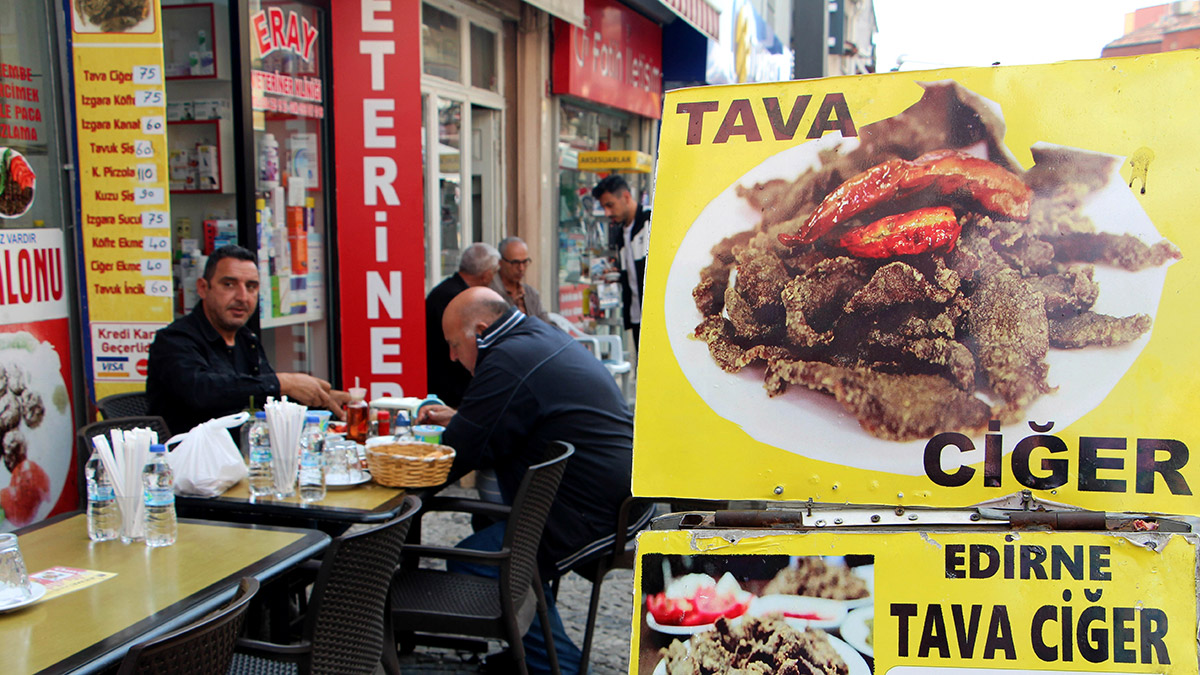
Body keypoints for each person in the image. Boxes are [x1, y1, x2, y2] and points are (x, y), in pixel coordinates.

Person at [418, 287, 645, 675]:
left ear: (481, 331)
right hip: (616, 494)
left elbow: (457, 454)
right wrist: (463, 419)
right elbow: (513, 416)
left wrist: (396, 483)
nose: (452, 357)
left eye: (454, 344)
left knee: (477, 562)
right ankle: (525, 650)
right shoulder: (534, 335)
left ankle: (560, 667)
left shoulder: (506, 360)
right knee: (487, 525)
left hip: (593, 511)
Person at [147, 245, 344, 434]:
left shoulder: (246, 338)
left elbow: (265, 395)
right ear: (203, 288)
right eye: (229, 285)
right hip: (188, 455)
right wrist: (283, 382)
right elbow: (202, 391)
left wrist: (318, 398)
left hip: (249, 452)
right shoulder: (174, 340)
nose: (242, 297)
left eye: (251, 287)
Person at [425, 242, 500, 407]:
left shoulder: (449, 290)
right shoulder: (456, 299)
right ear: (486, 275)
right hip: (449, 388)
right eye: (495, 272)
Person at [592, 174, 650, 349]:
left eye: (610, 205)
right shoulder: (620, 234)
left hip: (656, 315)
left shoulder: (651, 221)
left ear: (626, 197)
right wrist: (617, 275)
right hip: (636, 316)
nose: (607, 213)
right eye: (604, 207)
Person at [489, 236, 549, 323]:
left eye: (525, 262)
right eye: (515, 263)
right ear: (500, 262)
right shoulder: (490, 293)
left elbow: (546, 323)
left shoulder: (531, 293)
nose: (521, 268)